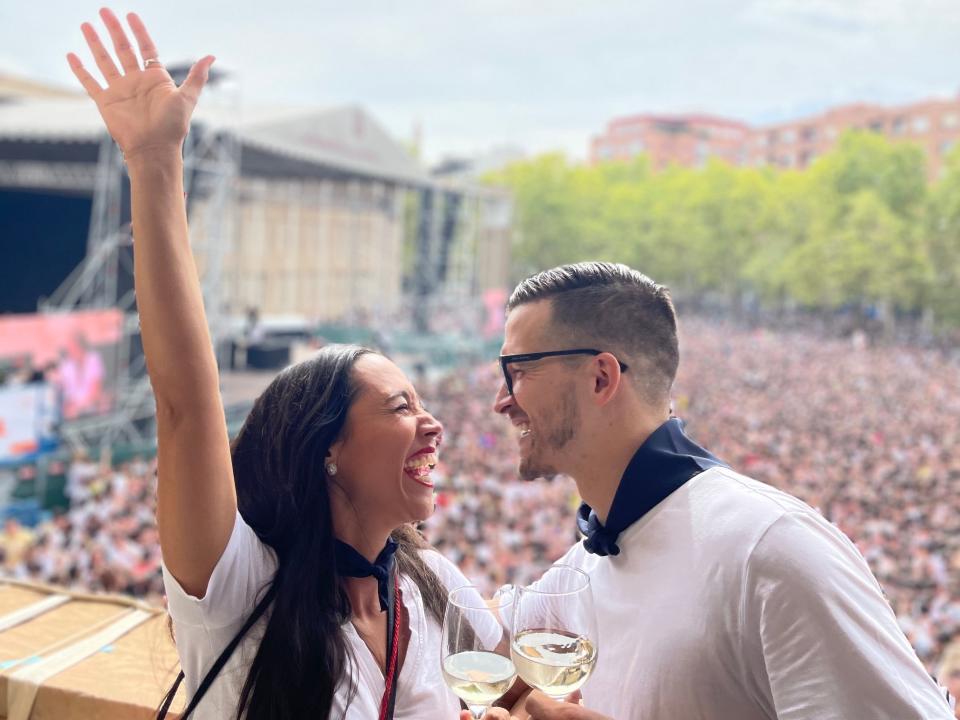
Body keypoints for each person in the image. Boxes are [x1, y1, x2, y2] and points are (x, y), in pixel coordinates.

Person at [67, 10, 501, 719]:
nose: (434, 425)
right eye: (400, 406)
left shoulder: (430, 589)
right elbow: (185, 405)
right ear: (326, 446)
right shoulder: (238, 588)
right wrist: (153, 163)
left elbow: (513, 672)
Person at [485, 262, 953, 719]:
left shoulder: (770, 548)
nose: (501, 401)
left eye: (518, 371)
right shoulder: (585, 566)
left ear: (601, 379)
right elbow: (463, 628)